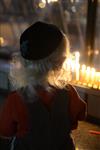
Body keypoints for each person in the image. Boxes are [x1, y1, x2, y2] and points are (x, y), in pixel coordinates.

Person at [0, 21, 87, 150]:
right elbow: (80, 115)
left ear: (23, 62)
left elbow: (5, 131)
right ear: (61, 62)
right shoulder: (69, 93)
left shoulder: (16, 99)